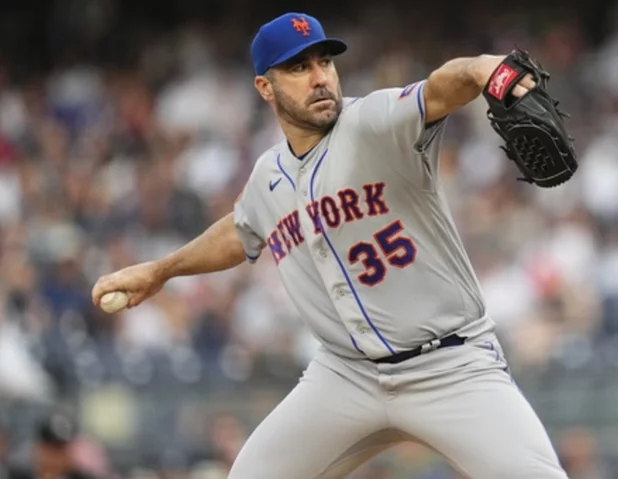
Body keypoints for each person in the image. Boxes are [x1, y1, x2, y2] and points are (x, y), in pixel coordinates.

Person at [92, 12, 569, 478]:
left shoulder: (375, 122)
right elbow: (242, 229)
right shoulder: (268, 176)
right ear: (265, 87)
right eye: (299, 68)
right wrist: (161, 270)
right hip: (346, 377)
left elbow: (443, 87)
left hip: (452, 366)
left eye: (325, 62)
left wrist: (483, 67)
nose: (320, 78)